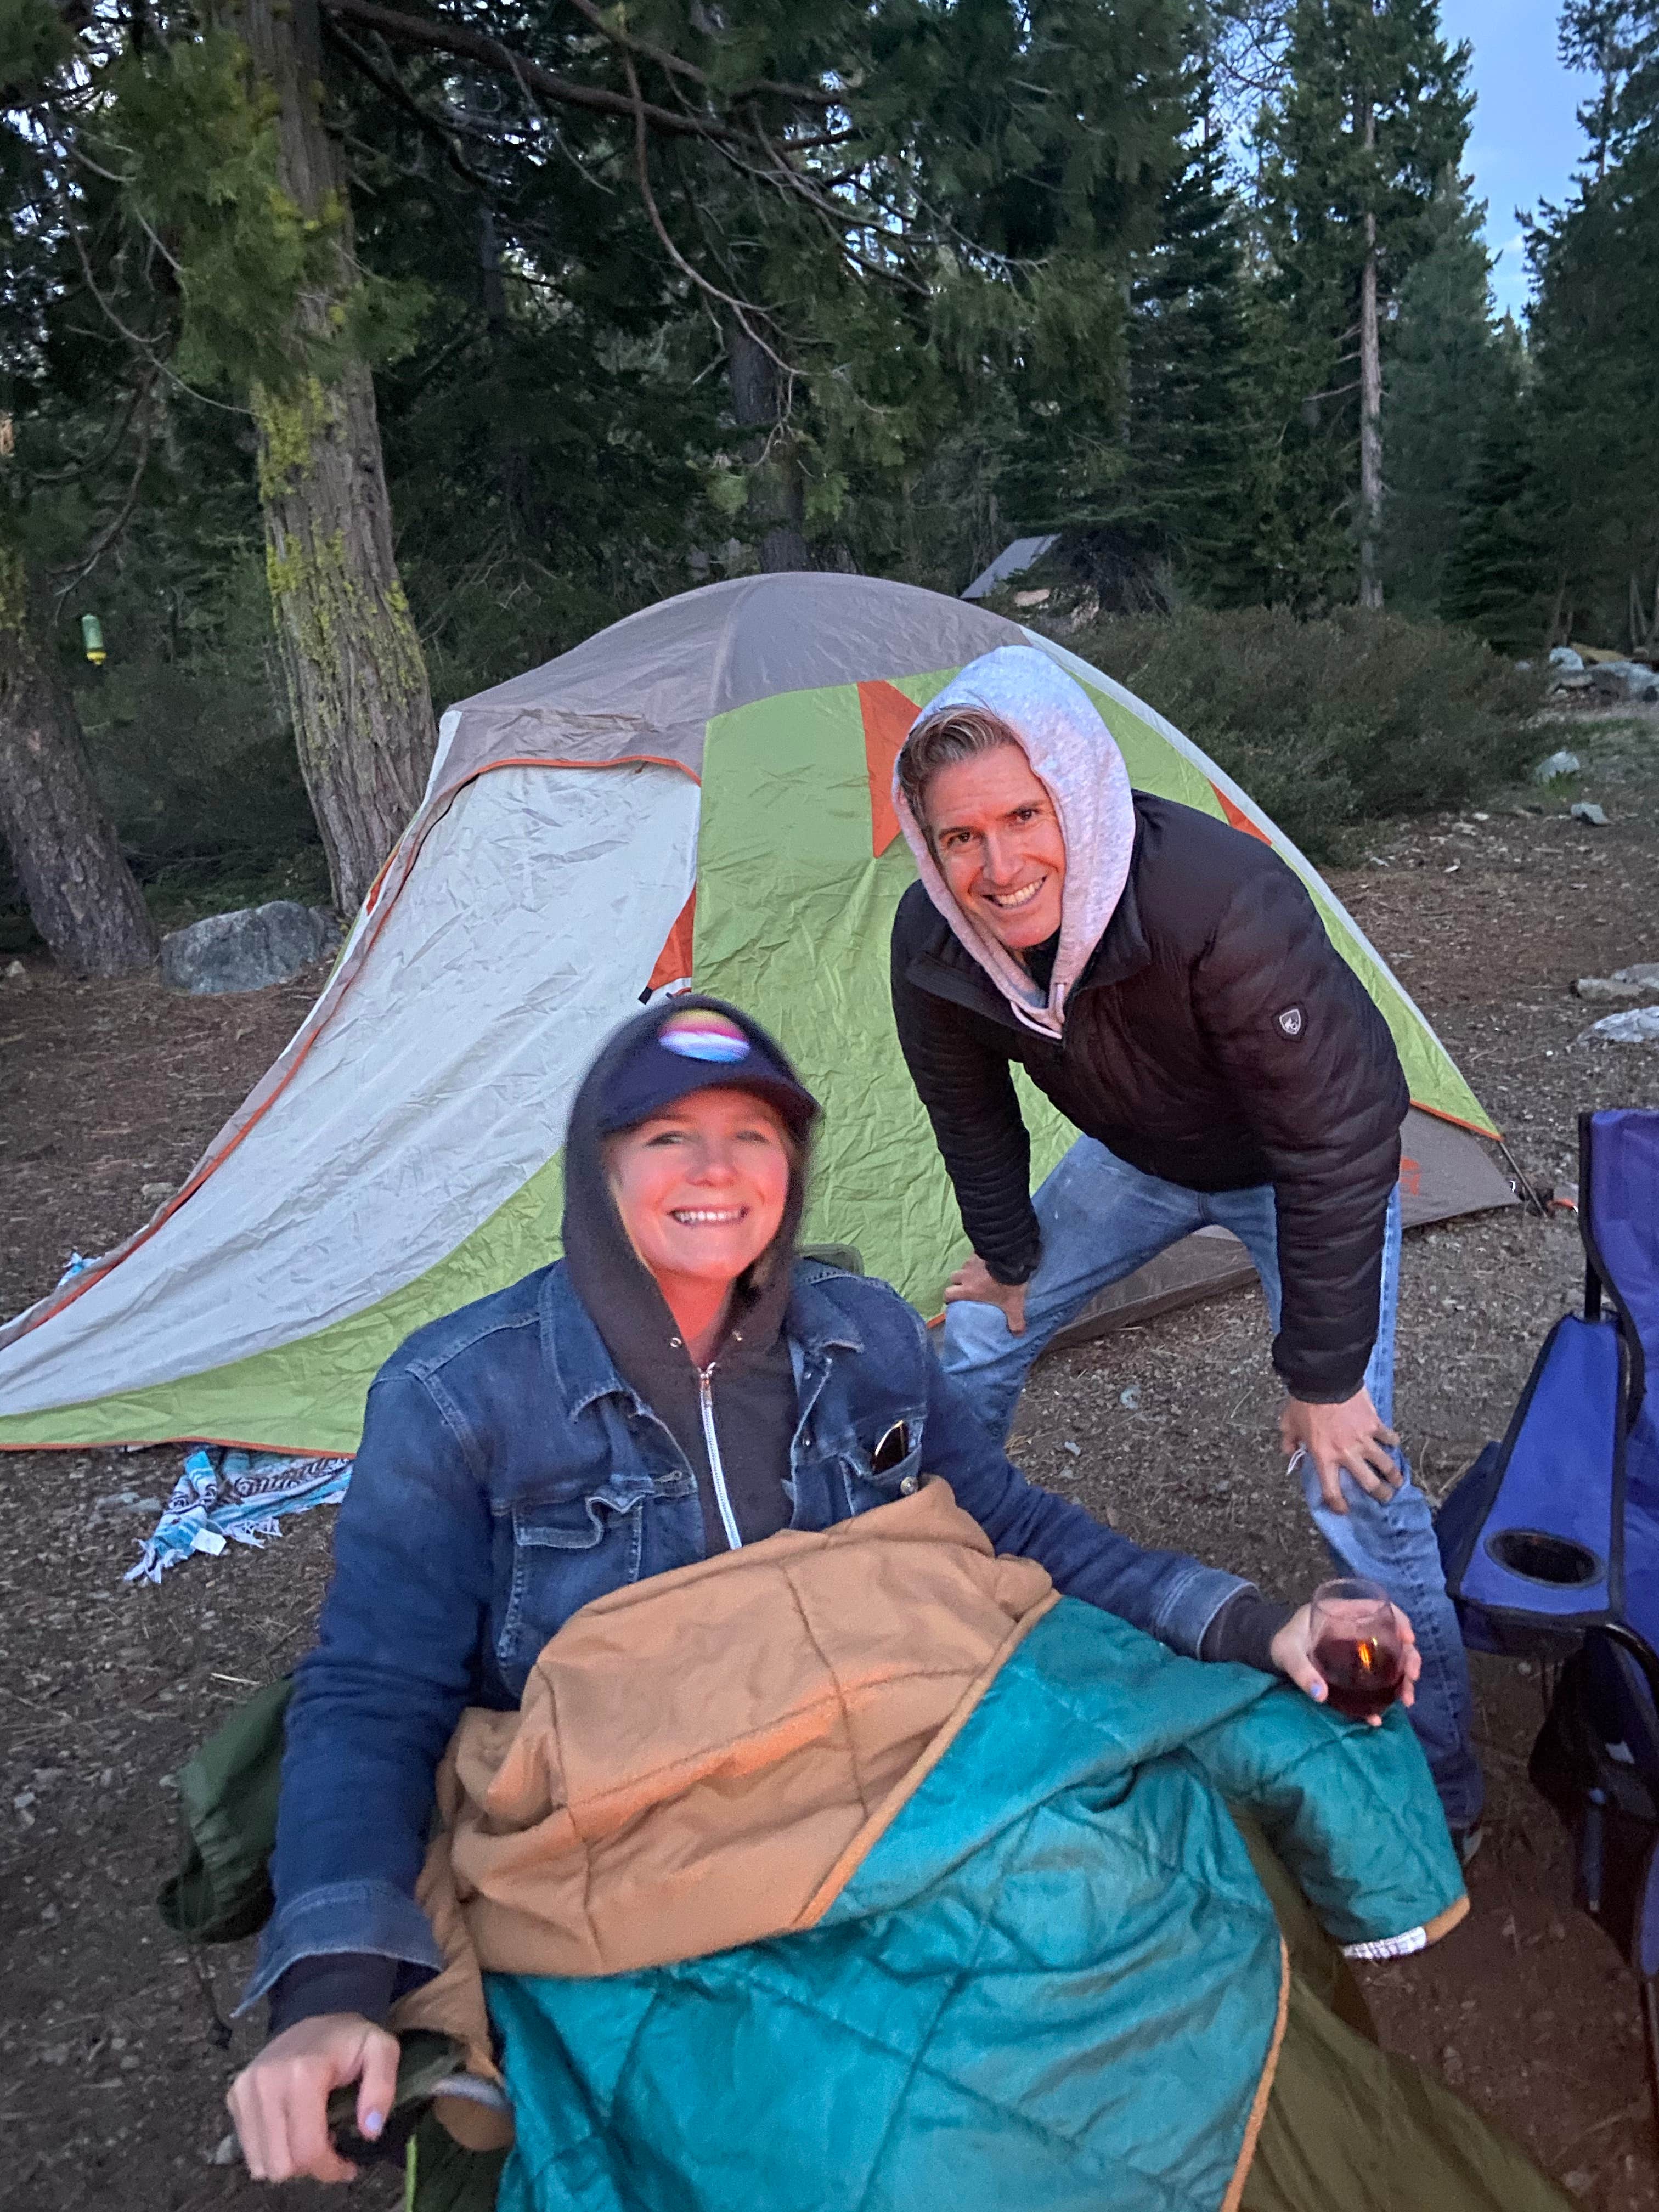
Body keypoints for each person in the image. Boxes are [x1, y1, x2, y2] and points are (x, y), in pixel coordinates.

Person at [225, 994, 1414, 2185]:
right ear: (598, 1169)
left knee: (1154, 1895)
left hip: (896, 1765)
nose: (717, 1170)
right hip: (635, 1829)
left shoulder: (861, 1337)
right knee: (821, 2126)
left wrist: (1258, 1626)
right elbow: (374, 1691)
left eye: (754, 1134)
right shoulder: (458, 1399)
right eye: (666, 1137)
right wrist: (330, 1985)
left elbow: (1006, 1525)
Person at [888, 644, 1481, 1843]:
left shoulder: (1220, 898)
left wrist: (1319, 1378)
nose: (1000, 866)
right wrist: (1006, 1258)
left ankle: (1440, 1778)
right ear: (927, 843)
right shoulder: (936, 942)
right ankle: (929, 1600)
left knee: (1349, 1472)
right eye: (961, 836)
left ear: (1079, 791)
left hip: (1302, 1160)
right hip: (1141, 1158)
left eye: (1024, 814)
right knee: (968, 1344)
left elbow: (1334, 1139)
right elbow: (972, 1113)